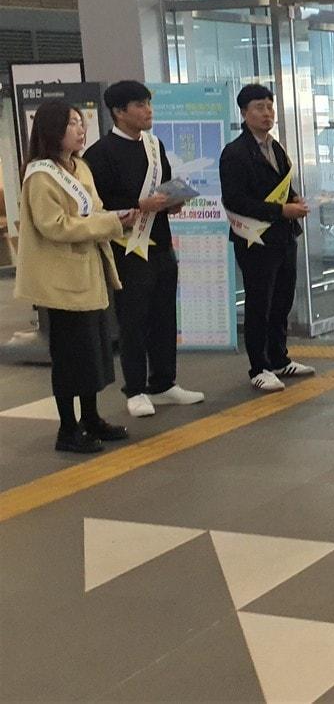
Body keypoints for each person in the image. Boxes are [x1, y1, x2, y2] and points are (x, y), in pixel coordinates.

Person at [14, 101, 134, 453]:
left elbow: (93, 210)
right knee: (70, 358)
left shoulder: (79, 167)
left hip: (89, 272)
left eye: (82, 123)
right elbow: (54, 226)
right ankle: (67, 429)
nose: (81, 129)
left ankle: (91, 417)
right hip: (61, 281)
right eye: (72, 124)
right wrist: (111, 222)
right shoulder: (40, 175)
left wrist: (112, 219)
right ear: (53, 130)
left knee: (94, 352)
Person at [83, 81, 203, 418]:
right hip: (128, 248)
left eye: (149, 103)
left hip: (161, 243)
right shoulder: (100, 154)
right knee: (133, 320)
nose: (148, 110)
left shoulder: (154, 145)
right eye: (139, 105)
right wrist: (139, 203)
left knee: (164, 315)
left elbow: (163, 189)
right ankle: (134, 389)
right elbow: (99, 205)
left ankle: (164, 382)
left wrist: (171, 203)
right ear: (119, 112)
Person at [219, 84, 315, 392]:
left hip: (283, 236)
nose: (267, 113)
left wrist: (296, 200)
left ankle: (279, 357)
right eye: (259, 107)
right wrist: (280, 210)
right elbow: (235, 200)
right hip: (254, 239)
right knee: (260, 302)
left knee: (282, 299)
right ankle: (258, 366)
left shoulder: (276, 148)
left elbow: (285, 186)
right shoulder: (235, 153)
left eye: (270, 107)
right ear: (245, 113)